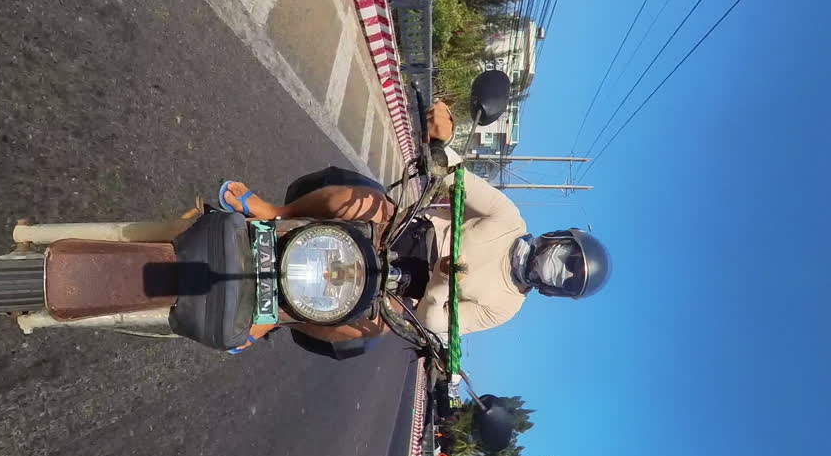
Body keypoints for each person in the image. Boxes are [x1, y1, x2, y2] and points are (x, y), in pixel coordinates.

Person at [217, 105, 611, 352]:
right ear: (561, 239)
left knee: (372, 328)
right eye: (569, 258)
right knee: (368, 202)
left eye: (568, 278)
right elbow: (457, 180)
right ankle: (274, 211)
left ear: (557, 291)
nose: (561, 268)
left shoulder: (506, 308)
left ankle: (277, 317)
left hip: (407, 294)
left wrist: (440, 285)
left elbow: (439, 325)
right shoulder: (509, 219)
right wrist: (442, 139)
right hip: (402, 227)